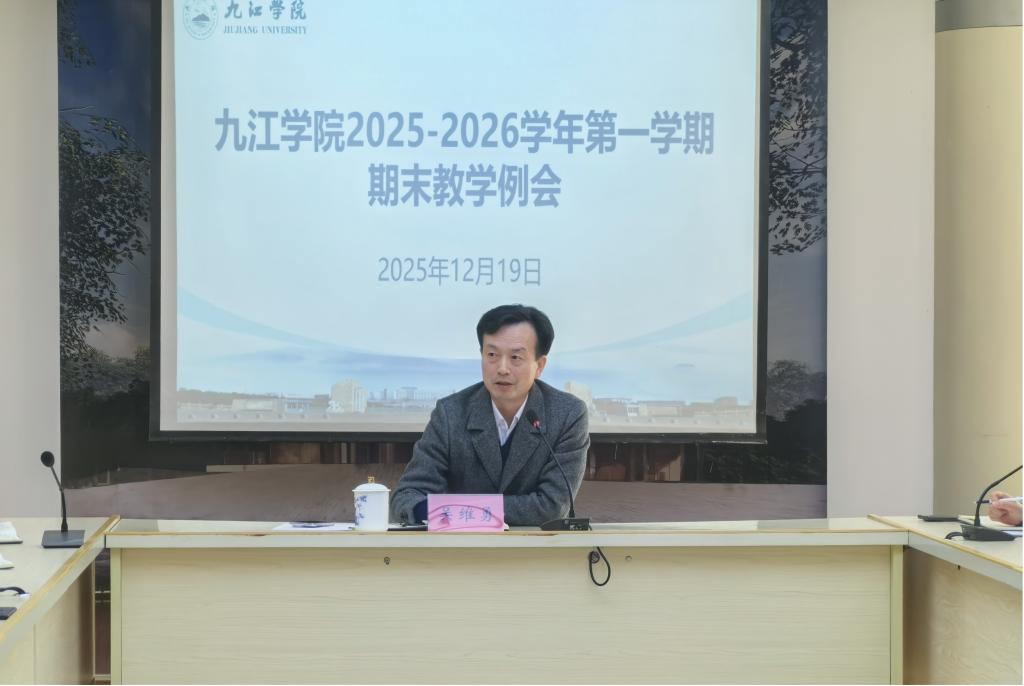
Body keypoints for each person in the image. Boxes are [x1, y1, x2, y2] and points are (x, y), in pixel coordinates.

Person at [390, 304, 590, 526]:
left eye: (516, 357)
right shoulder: (450, 413)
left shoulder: (567, 414)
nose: (502, 368)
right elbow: (407, 497)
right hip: (459, 545)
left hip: (535, 545)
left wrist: (454, 511)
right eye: (492, 355)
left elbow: (552, 507)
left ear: (539, 365)